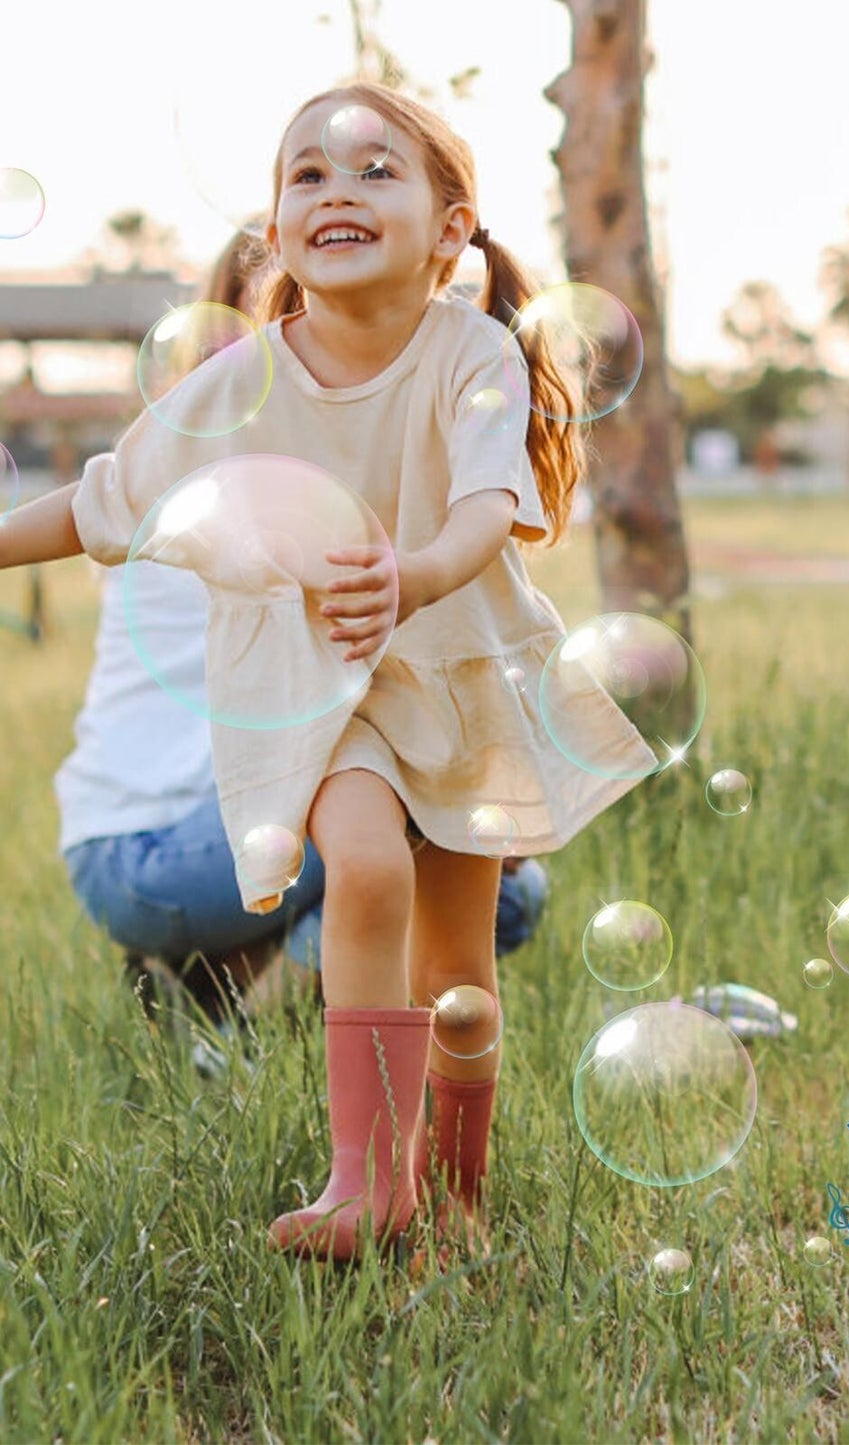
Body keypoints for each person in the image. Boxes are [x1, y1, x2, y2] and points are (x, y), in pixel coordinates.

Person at [1, 79, 656, 1262]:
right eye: (306, 173)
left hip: (455, 671)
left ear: (450, 228)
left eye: (371, 169)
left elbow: (483, 513)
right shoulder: (244, 378)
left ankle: (454, 1194)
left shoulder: (476, 356)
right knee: (356, 863)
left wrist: (411, 574)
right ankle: (363, 1178)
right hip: (325, 686)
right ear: (277, 229)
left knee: (459, 964)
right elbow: (105, 500)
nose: (334, 188)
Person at [57, 228, 551, 1054]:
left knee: (492, 873)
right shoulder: (241, 469)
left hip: (150, 844)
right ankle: (240, 1024)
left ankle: (208, 976)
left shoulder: (247, 454)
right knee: (450, 840)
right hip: (160, 848)